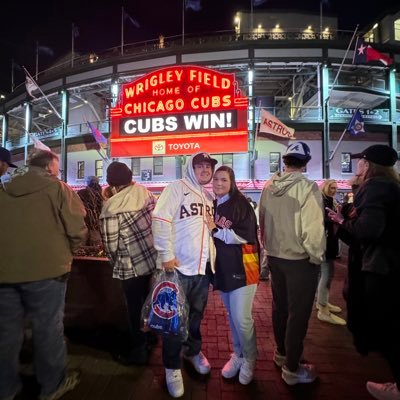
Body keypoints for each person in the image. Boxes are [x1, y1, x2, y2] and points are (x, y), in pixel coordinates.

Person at [0, 149, 87, 400]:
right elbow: (77, 229)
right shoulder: (58, 188)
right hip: (47, 272)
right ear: (49, 167)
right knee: (48, 329)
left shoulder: (3, 187)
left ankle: (6, 388)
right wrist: (66, 252)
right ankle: (53, 384)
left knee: (6, 333)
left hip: (5, 273)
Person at [327, 144, 400, 400]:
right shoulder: (389, 186)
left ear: (368, 165)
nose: (357, 165)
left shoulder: (376, 188)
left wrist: (341, 221)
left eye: (360, 161)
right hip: (386, 267)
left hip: (381, 269)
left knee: (386, 329)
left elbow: (368, 230)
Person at [259, 141, 325, 386]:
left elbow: (262, 222)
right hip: (300, 260)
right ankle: (292, 368)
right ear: (305, 163)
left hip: (276, 257)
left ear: (285, 161)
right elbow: (314, 231)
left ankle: (282, 354)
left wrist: (269, 249)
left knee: (280, 308)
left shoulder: (268, 186)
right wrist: (316, 257)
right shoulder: (308, 188)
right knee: (298, 315)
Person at [152, 152, 217, 398]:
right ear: (191, 167)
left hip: (201, 270)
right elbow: (159, 219)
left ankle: (191, 351)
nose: (204, 170)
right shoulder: (176, 188)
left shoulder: (208, 196)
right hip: (177, 268)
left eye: (208, 167)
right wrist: (166, 255)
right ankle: (171, 367)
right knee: (173, 321)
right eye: (199, 166)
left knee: (196, 317)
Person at [99, 161, 158, 366]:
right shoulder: (146, 193)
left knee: (134, 309)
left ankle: (139, 351)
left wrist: (114, 263)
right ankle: (152, 337)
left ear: (111, 183)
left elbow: (110, 244)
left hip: (129, 265)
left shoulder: (111, 206)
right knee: (147, 303)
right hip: (151, 259)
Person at [206, 166, 259, 385]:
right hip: (224, 269)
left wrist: (216, 230)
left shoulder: (241, 203)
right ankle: (238, 354)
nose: (218, 183)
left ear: (232, 182)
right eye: (216, 179)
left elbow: (246, 236)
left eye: (224, 180)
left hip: (244, 267)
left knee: (242, 318)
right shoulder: (212, 203)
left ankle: (250, 358)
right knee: (232, 316)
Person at [316, 179, 346, 325]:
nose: (333, 190)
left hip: (329, 241)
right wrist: (335, 219)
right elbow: (319, 220)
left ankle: (323, 303)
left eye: (335, 188)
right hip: (324, 242)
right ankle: (323, 307)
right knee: (326, 274)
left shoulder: (329, 200)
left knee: (325, 274)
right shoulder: (322, 201)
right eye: (331, 187)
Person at [77, 176, 104, 245]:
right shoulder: (103, 194)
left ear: (88, 183)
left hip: (86, 225)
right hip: (100, 227)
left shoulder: (82, 193)